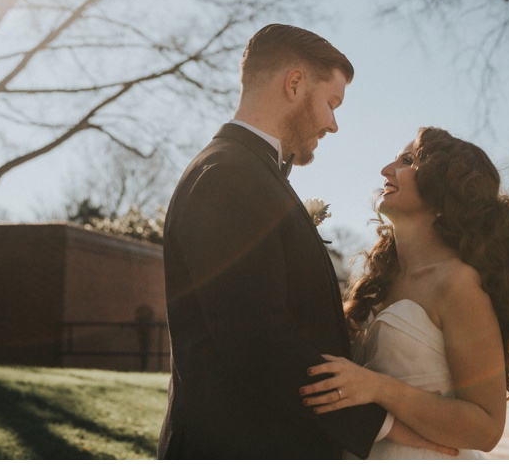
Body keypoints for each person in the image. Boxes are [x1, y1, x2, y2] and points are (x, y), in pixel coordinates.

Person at [158, 25, 456, 459]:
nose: (334, 124)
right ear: (295, 83)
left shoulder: (248, 173)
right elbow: (257, 344)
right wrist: (387, 425)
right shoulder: (228, 176)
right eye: (332, 103)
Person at [299, 127, 509, 459]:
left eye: (407, 160)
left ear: (443, 188)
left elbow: (486, 428)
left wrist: (378, 387)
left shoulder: (459, 284)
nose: (387, 170)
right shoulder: (380, 280)